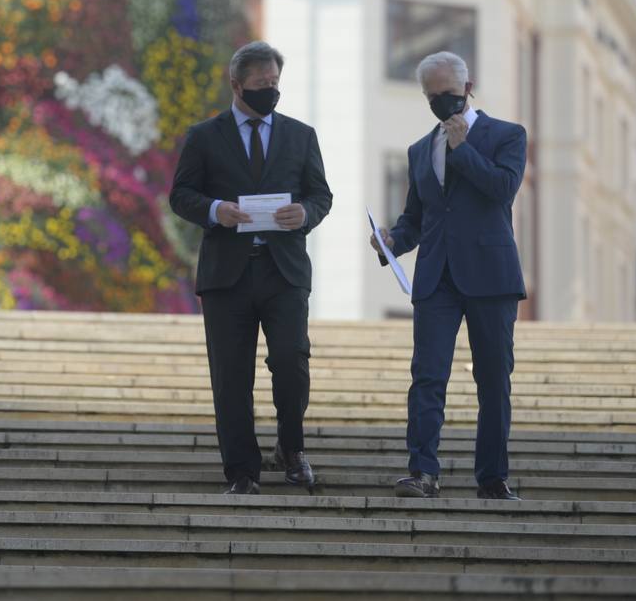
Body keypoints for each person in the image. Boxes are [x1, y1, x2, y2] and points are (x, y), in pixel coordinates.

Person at [170, 41, 333, 495]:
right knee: (231, 373)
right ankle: (242, 471)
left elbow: (321, 195)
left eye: (274, 84)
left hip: (284, 272)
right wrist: (215, 209)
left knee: (291, 360)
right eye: (260, 85)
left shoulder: (301, 135)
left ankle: (291, 449)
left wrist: (306, 213)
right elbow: (180, 194)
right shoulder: (204, 136)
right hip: (227, 274)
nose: (269, 92)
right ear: (236, 84)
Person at [372, 51, 526, 501]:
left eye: (450, 95)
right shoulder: (420, 149)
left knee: (493, 379)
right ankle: (423, 471)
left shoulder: (506, 135)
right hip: (436, 277)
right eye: (433, 97)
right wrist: (391, 242)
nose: (442, 103)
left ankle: (492, 478)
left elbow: (502, 190)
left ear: (468, 88)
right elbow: (416, 219)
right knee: (427, 375)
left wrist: (463, 150)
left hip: (491, 276)